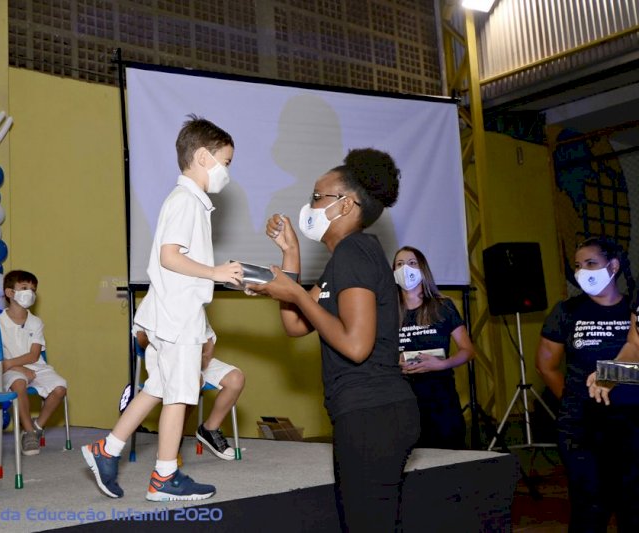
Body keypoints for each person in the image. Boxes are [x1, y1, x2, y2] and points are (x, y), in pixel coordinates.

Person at [249, 148, 419, 531]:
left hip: (374, 414)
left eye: (316, 197)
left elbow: (356, 346)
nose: (308, 206)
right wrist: (290, 256)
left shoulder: (354, 253)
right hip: (366, 413)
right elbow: (296, 326)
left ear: (345, 205)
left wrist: (291, 294)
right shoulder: (343, 259)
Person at [82, 115, 243, 501]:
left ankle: (108, 450)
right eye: (227, 161)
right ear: (204, 157)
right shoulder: (187, 201)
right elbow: (171, 257)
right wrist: (217, 271)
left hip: (168, 312)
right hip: (176, 317)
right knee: (181, 396)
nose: (227, 171)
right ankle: (164, 478)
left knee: (156, 387)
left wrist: (215, 276)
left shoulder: (188, 201)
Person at [536, 237, 639, 531]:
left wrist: (613, 375)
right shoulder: (567, 312)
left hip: (630, 423)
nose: (583, 272)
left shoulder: (631, 308)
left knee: (632, 506)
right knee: (589, 506)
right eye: (578, 266)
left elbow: (635, 351)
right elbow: (547, 366)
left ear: (614, 266)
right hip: (582, 425)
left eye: (591, 263)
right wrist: (575, 398)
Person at [393, 246, 475, 449]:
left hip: (441, 398)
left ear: (423, 269)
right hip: (403, 399)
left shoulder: (443, 305)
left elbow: (468, 350)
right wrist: (395, 363)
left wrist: (443, 364)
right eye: (399, 264)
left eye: (412, 263)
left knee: (449, 458)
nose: (406, 269)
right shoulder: (387, 312)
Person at [135, 326, 245, 461]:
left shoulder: (196, 306)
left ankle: (209, 429)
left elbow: (208, 340)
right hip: (166, 359)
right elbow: (141, 338)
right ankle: (173, 439)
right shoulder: (154, 305)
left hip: (197, 359)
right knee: (191, 381)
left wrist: (202, 360)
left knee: (236, 378)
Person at [0, 270, 68, 456]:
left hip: (35, 367)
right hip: (8, 372)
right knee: (18, 383)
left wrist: (11, 363)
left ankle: (36, 426)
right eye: (24, 288)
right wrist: (15, 367)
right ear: (10, 293)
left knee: (60, 388)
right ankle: (28, 433)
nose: (30, 293)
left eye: (33, 289)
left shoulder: (35, 322)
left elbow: (34, 355)